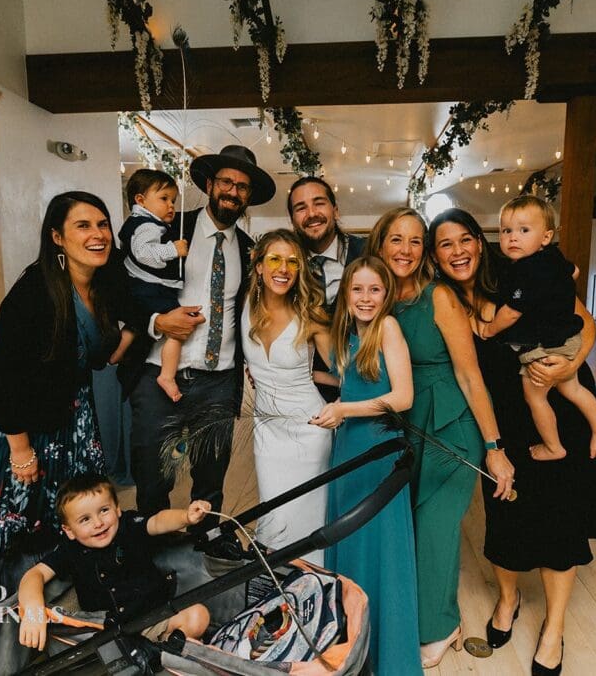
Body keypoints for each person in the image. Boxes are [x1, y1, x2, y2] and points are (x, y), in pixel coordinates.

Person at [428, 207, 596, 676]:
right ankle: (507, 600)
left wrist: (570, 366)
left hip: (556, 409)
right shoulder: (443, 300)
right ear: (435, 255)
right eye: (445, 244)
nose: (458, 251)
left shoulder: (518, 272)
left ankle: (554, 627)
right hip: (501, 423)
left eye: (465, 239)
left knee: (561, 518)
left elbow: (583, 323)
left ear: (479, 240)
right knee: (505, 513)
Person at [0, 191, 141, 604]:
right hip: (14, 421)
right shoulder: (35, 293)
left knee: (70, 514)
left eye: (102, 225)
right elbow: (6, 376)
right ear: (57, 238)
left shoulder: (103, 282)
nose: (98, 234)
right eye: (83, 226)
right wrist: (20, 448)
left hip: (70, 415)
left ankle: (69, 610)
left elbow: (132, 315)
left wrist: (129, 335)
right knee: (11, 520)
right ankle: (4, 621)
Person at [367, 207, 514, 669]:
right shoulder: (377, 298)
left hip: (452, 423)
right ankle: (410, 613)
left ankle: (441, 625)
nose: (405, 250)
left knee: (435, 528)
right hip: (405, 426)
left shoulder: (441, 298)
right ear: (381, 245)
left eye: (415, 241)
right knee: (406, 524)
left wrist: (494, 448)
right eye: (397, 240)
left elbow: (471, 376)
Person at [124, 145, 274, 530]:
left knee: (211, 476)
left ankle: (206, 546)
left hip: (219, 380)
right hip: (158, 372)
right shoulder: (167, 230)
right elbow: (123, 288)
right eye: (226, 181)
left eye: (242, 187)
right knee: (153, 473)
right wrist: (158, 321)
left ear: (248, 197)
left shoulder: (248, 248)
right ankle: (153, 551)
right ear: (210, 184)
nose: (233, 191)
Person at [310, 256, 421, 675]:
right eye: (358, 289)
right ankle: (352, 648)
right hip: (349, 446)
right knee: (350, 541)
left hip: (377, 447)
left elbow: (404, 397)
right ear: (346, 294)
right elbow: (355, 381)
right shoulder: (351, 332)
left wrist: (344, 409)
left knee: (378, 547)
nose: (366, 298)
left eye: (374, 289)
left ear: (386, 293)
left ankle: (386, 657)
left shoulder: (387, 327)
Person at [480, 196, 596, 461]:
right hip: (566, 339)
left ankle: (553, 446)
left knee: (535, 397)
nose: (512, 238)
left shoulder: (526, 271)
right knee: (571, 389)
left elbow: (511, 312)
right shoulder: (552, 259)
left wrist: (489, 330)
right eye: (506, 231)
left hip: (546, 345)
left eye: (524, 230)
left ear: (546, 236)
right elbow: (573, 272)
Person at [18, 473, 211, 651]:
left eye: (104, 510)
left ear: (117, 509)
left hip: (155, 616)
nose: (98, 523)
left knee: (199, 616)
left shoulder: (128, 525)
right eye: (85, 519)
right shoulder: (70, 549)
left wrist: (185, 516)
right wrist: (33, 611)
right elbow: (36, 574)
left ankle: (162, 646)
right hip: (108, 632)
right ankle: (161, 650)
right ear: (69, 530)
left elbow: (158, 521)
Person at [241, 229, 332, 565]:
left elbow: (346, 374)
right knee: (275, 515)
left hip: (308, 429)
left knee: (307, 517)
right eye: (275, 259)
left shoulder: (311, 314)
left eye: (293, 262)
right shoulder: (245, 305)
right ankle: (278, 588)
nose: (283, 268)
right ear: (259, 265)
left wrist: (316, 379)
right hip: (266, 431)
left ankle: (314, 587)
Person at [287, 176, 366, 402]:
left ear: (336, 211)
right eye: (301, 208)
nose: (311, 213)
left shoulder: (367, 253)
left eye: (319, 203)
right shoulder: (288, 266)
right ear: (292, 220)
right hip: (308, 395)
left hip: (369, 388)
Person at [119, 169, 188, 402]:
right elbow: (143, 252)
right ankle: (167, 376)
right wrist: (173, 250)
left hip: (139, 285)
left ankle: (117, 351)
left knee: (137, 322)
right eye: (164, 199)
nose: (171, 206)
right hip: (150, 285)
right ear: (140, 200)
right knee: (178, 328)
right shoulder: (148, 226)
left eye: (173, 200)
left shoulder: (139, 222)